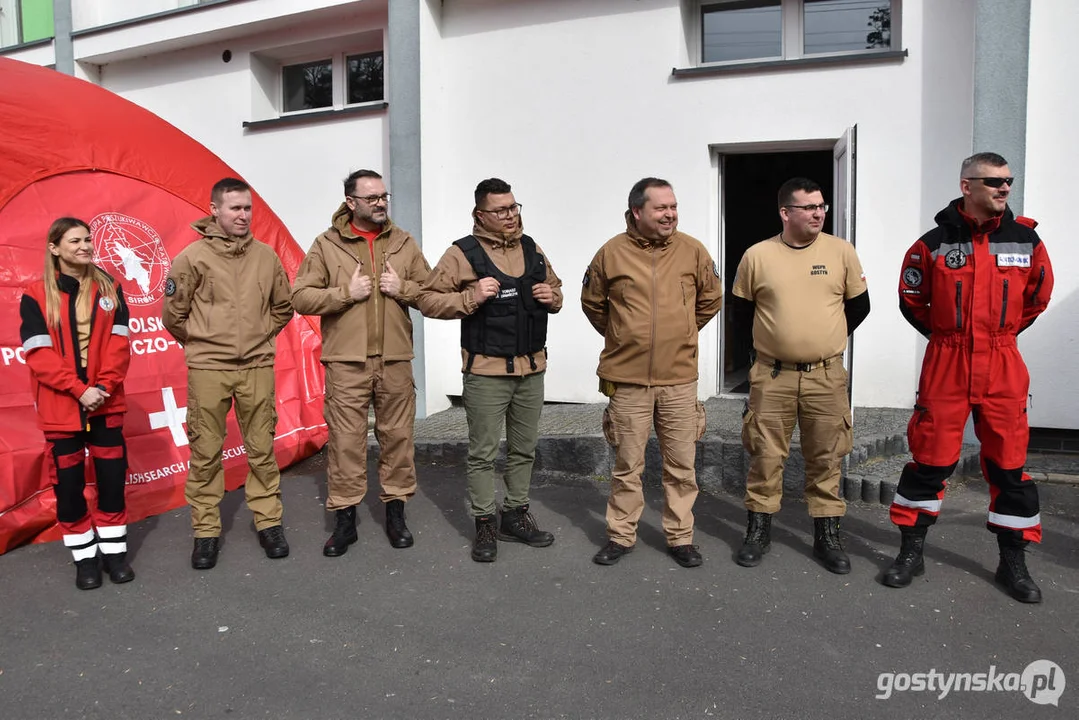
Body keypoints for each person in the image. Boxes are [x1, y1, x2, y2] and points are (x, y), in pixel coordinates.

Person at [886, 152, 1054, 603]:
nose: (1004, 188)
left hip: (1002, 364)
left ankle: (1013, 564)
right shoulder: (932, 243)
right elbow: (911, 298)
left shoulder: (1026, 242)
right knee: (930, 463)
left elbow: (1037, 297)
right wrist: (947, 337)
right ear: (966, 185)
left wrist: (999, 337)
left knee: (1010, 469)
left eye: (1008, 181)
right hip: (947, 362)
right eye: (994, 181)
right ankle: (911, 552)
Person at [729, 178, 870, 574]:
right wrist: (773, 346)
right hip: (772, 377)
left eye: (821, 205)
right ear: (785, 213)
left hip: (826, 378)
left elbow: (859, 307)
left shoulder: (841, 252)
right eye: (808, 207)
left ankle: (827, 537)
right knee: (765, 455)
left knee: (827, 458)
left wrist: (824, 339)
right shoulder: (758, 255)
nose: (818, 213)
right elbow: (741, 315)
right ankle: (758, 532)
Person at [417, 178, 561, 563]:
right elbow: (427, 300)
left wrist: (554, 297)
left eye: (514, 208)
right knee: (482, 453)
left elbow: (556, 287)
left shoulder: (532, 247)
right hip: (485, 373)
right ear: (480, 214)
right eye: (501, 210)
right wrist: (471, 297)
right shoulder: (462, 253)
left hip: (532, 369)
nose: (511, 216)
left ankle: (515, 514)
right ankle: (485, 521)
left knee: (524, 449)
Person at [581, 177, 723, 568]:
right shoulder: (610, 254)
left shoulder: (693, 251)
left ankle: (680, 538)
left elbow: (711, 298)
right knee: (628, 466)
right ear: (637, 212)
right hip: (628, 382)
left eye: (673, 206)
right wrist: (624, 334)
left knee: (682, 467)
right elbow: (593, 303)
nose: (670, 213)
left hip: (678, 379)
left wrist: (681, 333)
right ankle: (621, 535)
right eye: (661, 207)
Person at [292, 169, 430, 555]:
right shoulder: (326, 244)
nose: (381, 202)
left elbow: (432, 291)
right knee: (346, 443)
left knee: (398, 438)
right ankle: (345, 519)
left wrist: (402, 288)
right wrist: (344, 294)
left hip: (395, 359)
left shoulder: (403, 243)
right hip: (346, 362)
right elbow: (300, 297)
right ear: (351, 203)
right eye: (372, 198)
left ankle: (396, 512)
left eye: (384, 196)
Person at [162, 177, 295, 570]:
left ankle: (269, 523)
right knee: (205, 452)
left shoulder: (266, 257)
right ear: (214, 209)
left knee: (261, 450)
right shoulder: (192, 258)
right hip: (208, 369)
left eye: (247, 208)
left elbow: (283, 307)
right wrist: (206, 343)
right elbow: (173, 315)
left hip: (257, 366)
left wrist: (258, 337)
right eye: (234, 208)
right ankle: (206, 532)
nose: (243, 215)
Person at [19, 217, 136, 590]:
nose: (85, 246)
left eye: (87, 239)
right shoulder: (35, 294)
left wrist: (100, 387)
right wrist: (77, 389)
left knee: (112, 482)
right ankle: (85, 560)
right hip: (61, 409)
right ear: (55, 248)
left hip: (105, 404)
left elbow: (120, 347)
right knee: (68, 487)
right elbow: (38, 354)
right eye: (75, 241)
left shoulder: (111, 288)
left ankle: (114, 555)